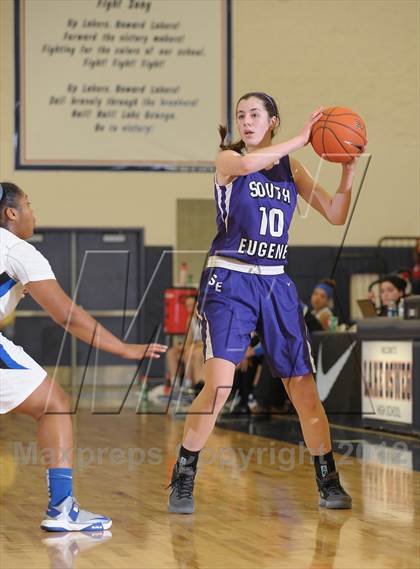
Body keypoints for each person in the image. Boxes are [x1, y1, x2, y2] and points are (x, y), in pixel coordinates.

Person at [167, 92, 358, 514]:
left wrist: (345, 171)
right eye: (241, 115)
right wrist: (302, 137)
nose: (246, 120)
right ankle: (184, 473)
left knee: (303, 388)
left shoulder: (293, 167)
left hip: (275, 281)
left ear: (271, 120)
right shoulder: (229, 161)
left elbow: (335, 213)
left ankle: (327, 479)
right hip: (230, 278)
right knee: (218, 385)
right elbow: (254, 162)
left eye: (255, 114)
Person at [0, 182, 167, 531]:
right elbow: (68, 316)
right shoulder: (18, 250)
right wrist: (125, 348)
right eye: (29, 204)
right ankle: (62, 507)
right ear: (11, 213)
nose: (34, 212)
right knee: (54, 404)